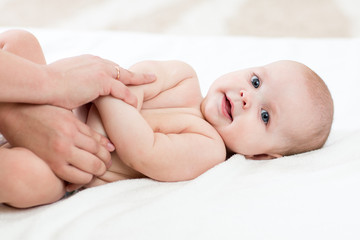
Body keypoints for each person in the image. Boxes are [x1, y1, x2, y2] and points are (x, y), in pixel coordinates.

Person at [0, 30, 333, 208]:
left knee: (28, 180)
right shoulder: (184, 77)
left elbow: (143, 149)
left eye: (264, 115)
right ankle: (17, 114)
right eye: (256, 81)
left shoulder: (208, 148)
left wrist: (102, 88)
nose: (247, 96)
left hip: (67, 166)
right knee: (21, 41)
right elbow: (135, 82)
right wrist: (113, 90)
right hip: (53, 104)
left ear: (261, 154)